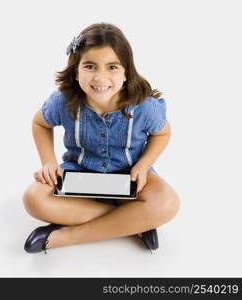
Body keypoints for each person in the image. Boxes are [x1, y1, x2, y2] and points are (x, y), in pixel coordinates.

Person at [22, 22, 180, 254]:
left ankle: (62, 238)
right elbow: (39, 123)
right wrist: (48, 161)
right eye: (90, 66)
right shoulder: (64, 100)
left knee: (168, 203)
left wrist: (144, 165)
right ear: (76, 71)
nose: (100, 77)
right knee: (33, 199)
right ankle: (135, 222)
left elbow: (162, 132)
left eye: (112, 67)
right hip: (78, 174)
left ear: (127, 72)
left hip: (129, 178)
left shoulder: (144, 106)